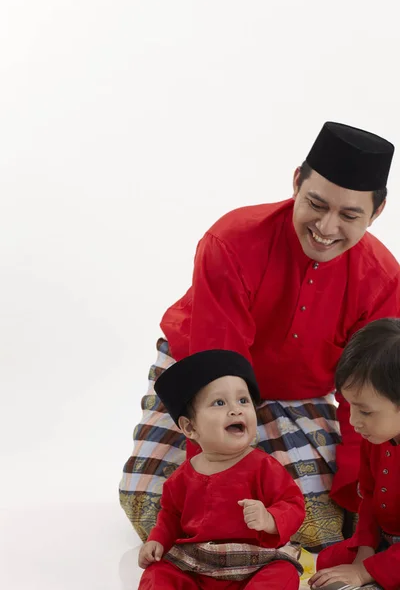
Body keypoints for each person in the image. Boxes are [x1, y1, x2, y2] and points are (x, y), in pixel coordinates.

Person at [120, 121, 400, 551]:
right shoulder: (231, 241)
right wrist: (219, 484)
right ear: (295, 183)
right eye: (315, 204)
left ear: (375, 214)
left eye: (349, 215)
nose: (326, 228)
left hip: (298, 398)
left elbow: (366, 394)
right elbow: (218, 368)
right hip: (203, 378)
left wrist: (358, 490)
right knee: (156, 512)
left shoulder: (381, 279)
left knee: (318, 529)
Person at [138, 349, 305, 590]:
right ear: (190, 427)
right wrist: (156, 540)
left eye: (243, 400)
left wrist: (269, 518)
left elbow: (293, 504)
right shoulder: (181, 478)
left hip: (254, 562)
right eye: (219, 402)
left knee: (283, 573)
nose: (236, 410)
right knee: (157, 573)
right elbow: (170, 516)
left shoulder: (264, 466)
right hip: (197, 563)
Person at [309, 318, 400, 590]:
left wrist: (364, 573)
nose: (354, 421)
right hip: (386, 540)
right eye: (351, 407)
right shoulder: (377, 436)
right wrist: (364, 552)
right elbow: (370, 496)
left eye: (366, 411)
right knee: (327, 562)